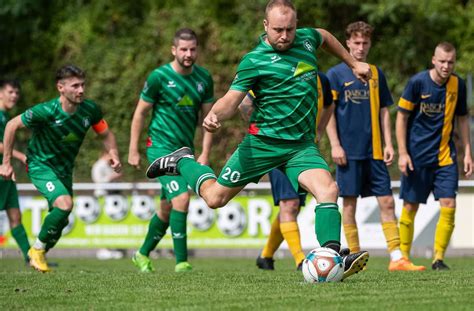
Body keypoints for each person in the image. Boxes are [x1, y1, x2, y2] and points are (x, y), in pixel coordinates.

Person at [147, 0, 371, 280]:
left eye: (290, 29)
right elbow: (232, 100)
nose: (285, 36)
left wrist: (352, 63)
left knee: (328, 191)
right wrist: (216, 115)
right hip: (262, 144)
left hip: (300, 146)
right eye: (278, 29)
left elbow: (324, 35)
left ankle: (333, 255)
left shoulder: (307, 40)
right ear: (265, 26)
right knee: (215, 198)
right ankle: (182, 162)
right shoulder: (255, 60)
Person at [0, 65, 122, 272]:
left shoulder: (90, 110)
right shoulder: (46, 111)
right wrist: (6, 162)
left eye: (83, 85)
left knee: (61, 222)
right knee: (65, 204)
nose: (81, 90)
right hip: (40, 166)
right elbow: (12, 125)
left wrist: (114, 154)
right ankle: (35, 251)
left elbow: (106, 133)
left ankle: (39, 252)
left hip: (64, 171)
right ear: (61, 88)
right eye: (75, 86)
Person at [325, 22, 424, 271]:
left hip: (376, 151)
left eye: (365, 43)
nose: (360, 47)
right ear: (347, 43)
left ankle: (397, 257)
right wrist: (335, 145)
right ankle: (356, 258)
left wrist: (389, 143)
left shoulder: (377, 73)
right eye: (356, 43)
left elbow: (384, 111)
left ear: (370, 44)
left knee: (388, 202)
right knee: (349, 204)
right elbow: (329, 113)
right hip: (348, 152)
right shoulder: (335, 75)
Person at [128, 28, 214, 273]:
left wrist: (205, 153)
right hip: (160, 149)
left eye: (193, 49)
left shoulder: (204, 78)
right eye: (183, 49)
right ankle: (181, 262)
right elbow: (140, 113)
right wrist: (133, 149)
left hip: (185, 153)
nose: (188, 54)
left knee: (166, 209)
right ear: (173, 50)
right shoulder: (159, 77)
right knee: (182, 199)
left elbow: (208, 119)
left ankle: (142, 254)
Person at [239, 72, 334, 271]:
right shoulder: (273, 71)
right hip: (276, 147)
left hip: (303, 149)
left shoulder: (321, 79)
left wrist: (319, 130)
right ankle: (301, 260)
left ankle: (266, 255)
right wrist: (263, 131)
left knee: (292, 206)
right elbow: (245, 104)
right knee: (289, 204)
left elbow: (329, 104)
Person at [396, 42, 472, 270]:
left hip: (445, 157)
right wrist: (402, 153)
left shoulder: (458, 85)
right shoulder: (418, 82)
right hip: (416, 157)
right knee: (410, 207)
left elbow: (462, 119)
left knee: (449, 204)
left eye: (450, 62)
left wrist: (468, 151)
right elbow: (401, 118)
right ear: (433, 60)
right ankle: (403, 258)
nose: (446, 66)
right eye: (442, 61)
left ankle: (438, 258)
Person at [0, 79, 30, 263]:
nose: (14, 96)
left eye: (17, 93)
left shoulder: (5, 117)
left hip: (5, 172)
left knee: (15, 216)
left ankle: (31, 258)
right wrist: (20, 156)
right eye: (10, 92)